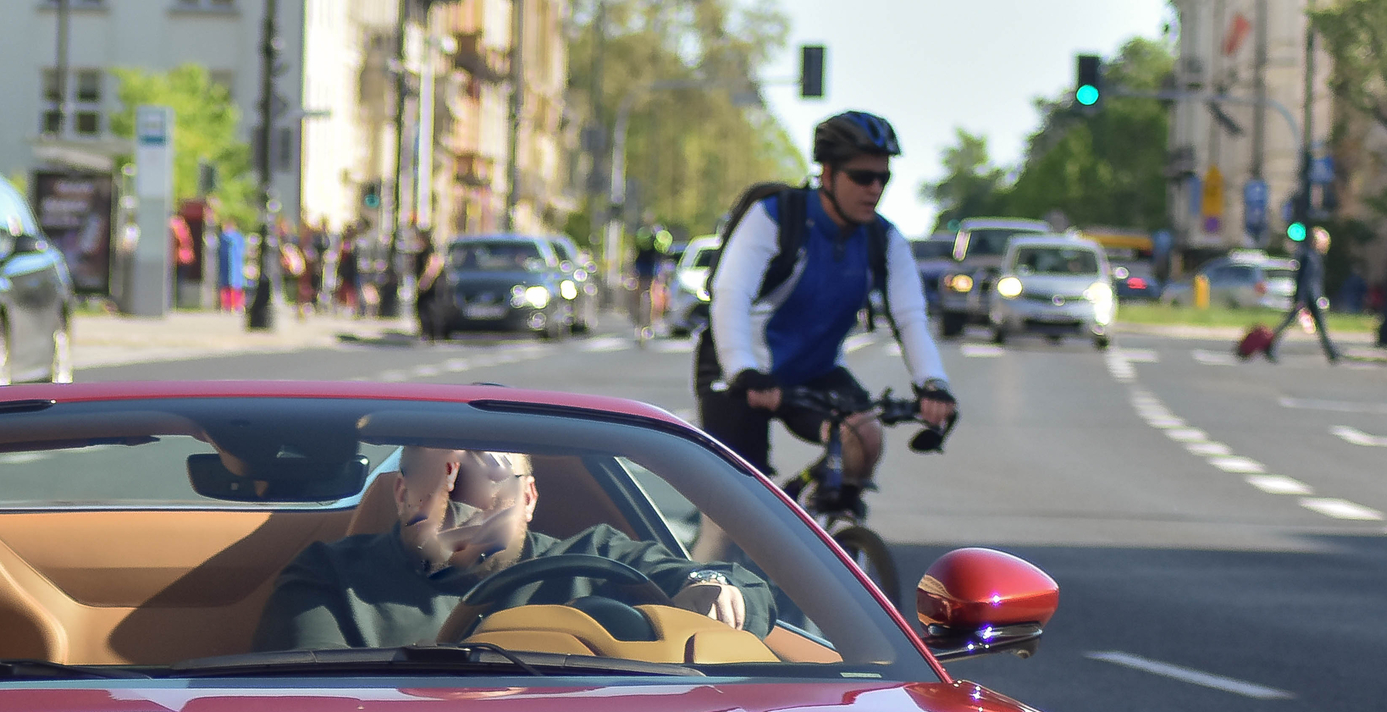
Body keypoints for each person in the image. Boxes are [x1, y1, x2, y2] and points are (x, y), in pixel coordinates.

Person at [251, 446, 775, 652]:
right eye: (441, 476)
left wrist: (715, 589)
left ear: (528, 498)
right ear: (401, 492)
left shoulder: (599, 559)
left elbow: (738, 588)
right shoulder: (330, 579)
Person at [701, 111, 955, 517]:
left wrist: (932, 384)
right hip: (740, 367)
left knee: (865, 439)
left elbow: (910, 317)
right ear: (827, 174)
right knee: (733, 511)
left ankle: (818, 531)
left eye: (882, 178)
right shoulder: (774, 217)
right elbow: (730, 294)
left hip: (813, 370)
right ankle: (710, 567)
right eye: (861, 177)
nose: (874, 189)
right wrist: (742, 371)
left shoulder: (883, 238)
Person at [1266, 229, 1339, 363]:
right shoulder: (1310, 257)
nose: (1326, 245)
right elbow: (1305, 280)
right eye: (1324, 242)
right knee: (1296, 324)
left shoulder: (1313, 256)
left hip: (1310, 297)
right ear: (1316, 242)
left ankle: (1332, 353)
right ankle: (1269, 345)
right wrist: (1300, 299)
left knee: (1316, 326)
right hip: (1308, 297)